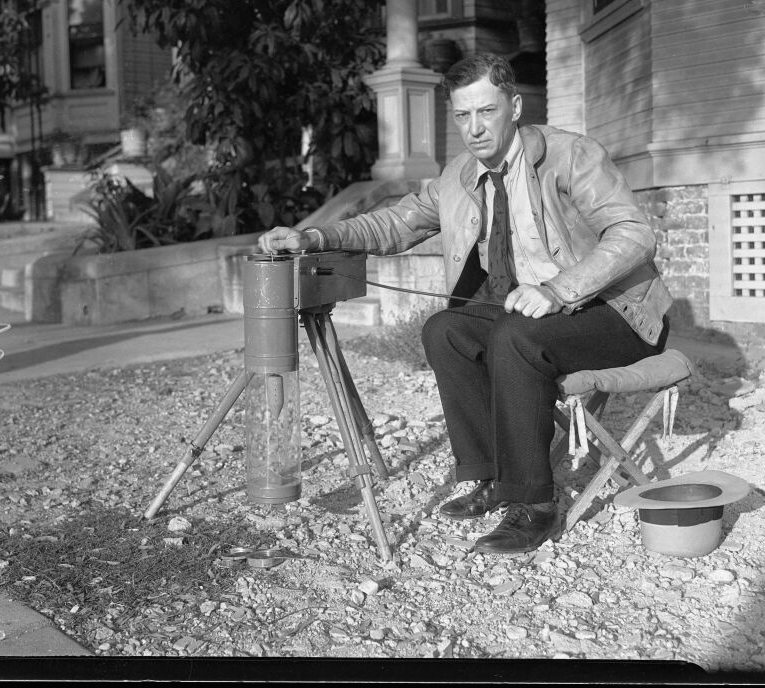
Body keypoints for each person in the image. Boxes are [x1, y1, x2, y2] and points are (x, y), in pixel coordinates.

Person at [258, 52, 673, 554]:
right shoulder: (458, 175)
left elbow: (634, 235)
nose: (474, 128)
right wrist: (314, 237)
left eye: (486, 111)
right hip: (535, 318)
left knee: (515, 337)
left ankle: (534, 505)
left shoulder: (572, 156)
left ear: (514, 107)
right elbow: (395, 223)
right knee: (445, 330)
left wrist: (557, 290)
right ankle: (491, 476)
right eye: (462, 115)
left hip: (616, 312)